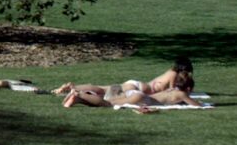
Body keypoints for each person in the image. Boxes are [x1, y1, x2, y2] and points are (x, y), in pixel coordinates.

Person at [52, 56, 193, 97]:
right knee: (103, 91)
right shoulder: (174, 74)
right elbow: (169, 91)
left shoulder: (169, 72)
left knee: (102, 89)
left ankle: (73, 87)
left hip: (136, 85)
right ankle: (73, 89)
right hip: (137, 87)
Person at [63, 71, 201, 108]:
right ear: (188, 88)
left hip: (134, 91)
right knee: (108, 104)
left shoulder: (172, 91)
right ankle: (80, 94)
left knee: (106, 97)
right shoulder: (182, 94)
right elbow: (197, 105)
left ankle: (78, 97)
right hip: (141, 97)